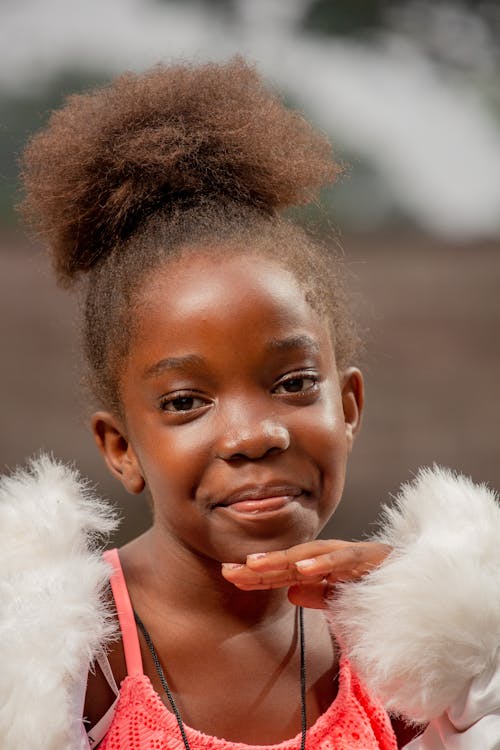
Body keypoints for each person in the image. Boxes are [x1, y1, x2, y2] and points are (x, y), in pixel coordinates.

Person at [2, 58, 499, 750]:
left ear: (349, 405)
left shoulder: (400, 657)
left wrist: (461, 627)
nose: (254, 434)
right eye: (185, 401)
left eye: (294, 384)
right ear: (121, 448)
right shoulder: (63, 659)